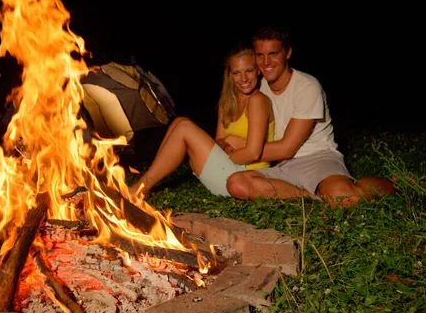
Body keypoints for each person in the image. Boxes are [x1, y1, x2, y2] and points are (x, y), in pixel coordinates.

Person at [226, 25, 396, 207]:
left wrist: (242, 149)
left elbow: (286, 148)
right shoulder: (257, 88)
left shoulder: (307, 86)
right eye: (260, 55)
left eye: (273, 54)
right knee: (237, 184)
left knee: (344, 197)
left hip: (319, 159)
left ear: (288, 53)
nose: (266, 62)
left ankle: (394, 184)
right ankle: (309, 196)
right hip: (283, 167)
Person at [128, 44, 275, 197]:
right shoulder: (226, 103)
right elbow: (219, 140)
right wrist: (228, 142)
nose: (243, 78)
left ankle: (139, 189)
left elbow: (253, 153)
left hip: (244, 177)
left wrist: (221, 156)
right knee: (178, 122)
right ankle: (143, 186)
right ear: (230, 75)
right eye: (237, 73)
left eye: (249, 71)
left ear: (258, 71)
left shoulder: (258, 100)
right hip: (228, 170)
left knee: (184, 126)